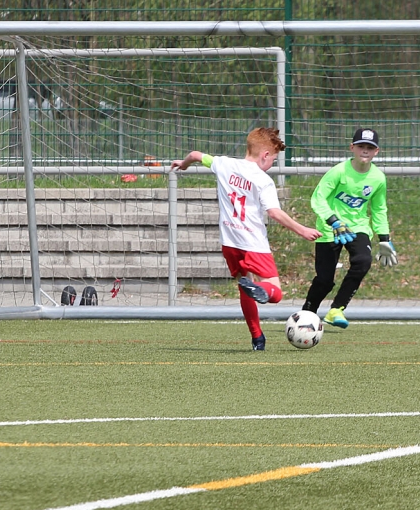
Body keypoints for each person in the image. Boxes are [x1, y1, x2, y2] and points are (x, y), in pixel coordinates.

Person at [170, 127, 320, 350]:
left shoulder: (224, 164)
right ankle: (260, 289)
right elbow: (274, 212)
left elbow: (195, 155)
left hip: (229, 242)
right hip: (253, 244)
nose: (272, 165)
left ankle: (257, 338)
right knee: (275, 293)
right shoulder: (262, 180)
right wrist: (302, 230)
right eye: (273, 159)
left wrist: (183, 164)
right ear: (265, 155)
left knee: (244, 286)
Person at [301, 128, 398, 328]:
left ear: (376, 151)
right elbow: (318, 198)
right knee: (325, 280)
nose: (365, 150)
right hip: (330, 228)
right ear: (352, 147)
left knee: (363, 261)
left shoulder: (378, 178)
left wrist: (384, 238)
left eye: (370, 147)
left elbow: (379, 209)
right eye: (361, 146)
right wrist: (333, 221)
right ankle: (306, 313)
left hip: (357, 227)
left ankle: (336, 309)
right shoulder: (338, 172)